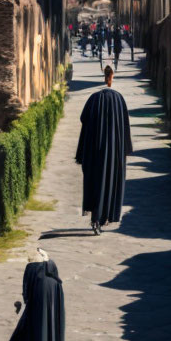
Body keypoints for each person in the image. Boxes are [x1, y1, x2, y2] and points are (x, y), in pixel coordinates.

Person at [75, 65, 133, 235]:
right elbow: (125, 126)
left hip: (94, 149)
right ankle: (105, 217)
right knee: (111, 182)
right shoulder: (119, 99)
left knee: (95, 182)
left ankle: (95, 218)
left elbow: (83, 119)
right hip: (114, 151)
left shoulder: (93, 98)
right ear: (112, 76)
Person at [4, 248, 65, 341]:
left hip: (39, 295)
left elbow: (26, 287)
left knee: (37, 327)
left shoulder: (31, 267)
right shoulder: (52, 266)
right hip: (55, 294)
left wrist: (27, 301)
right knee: (51, 325)